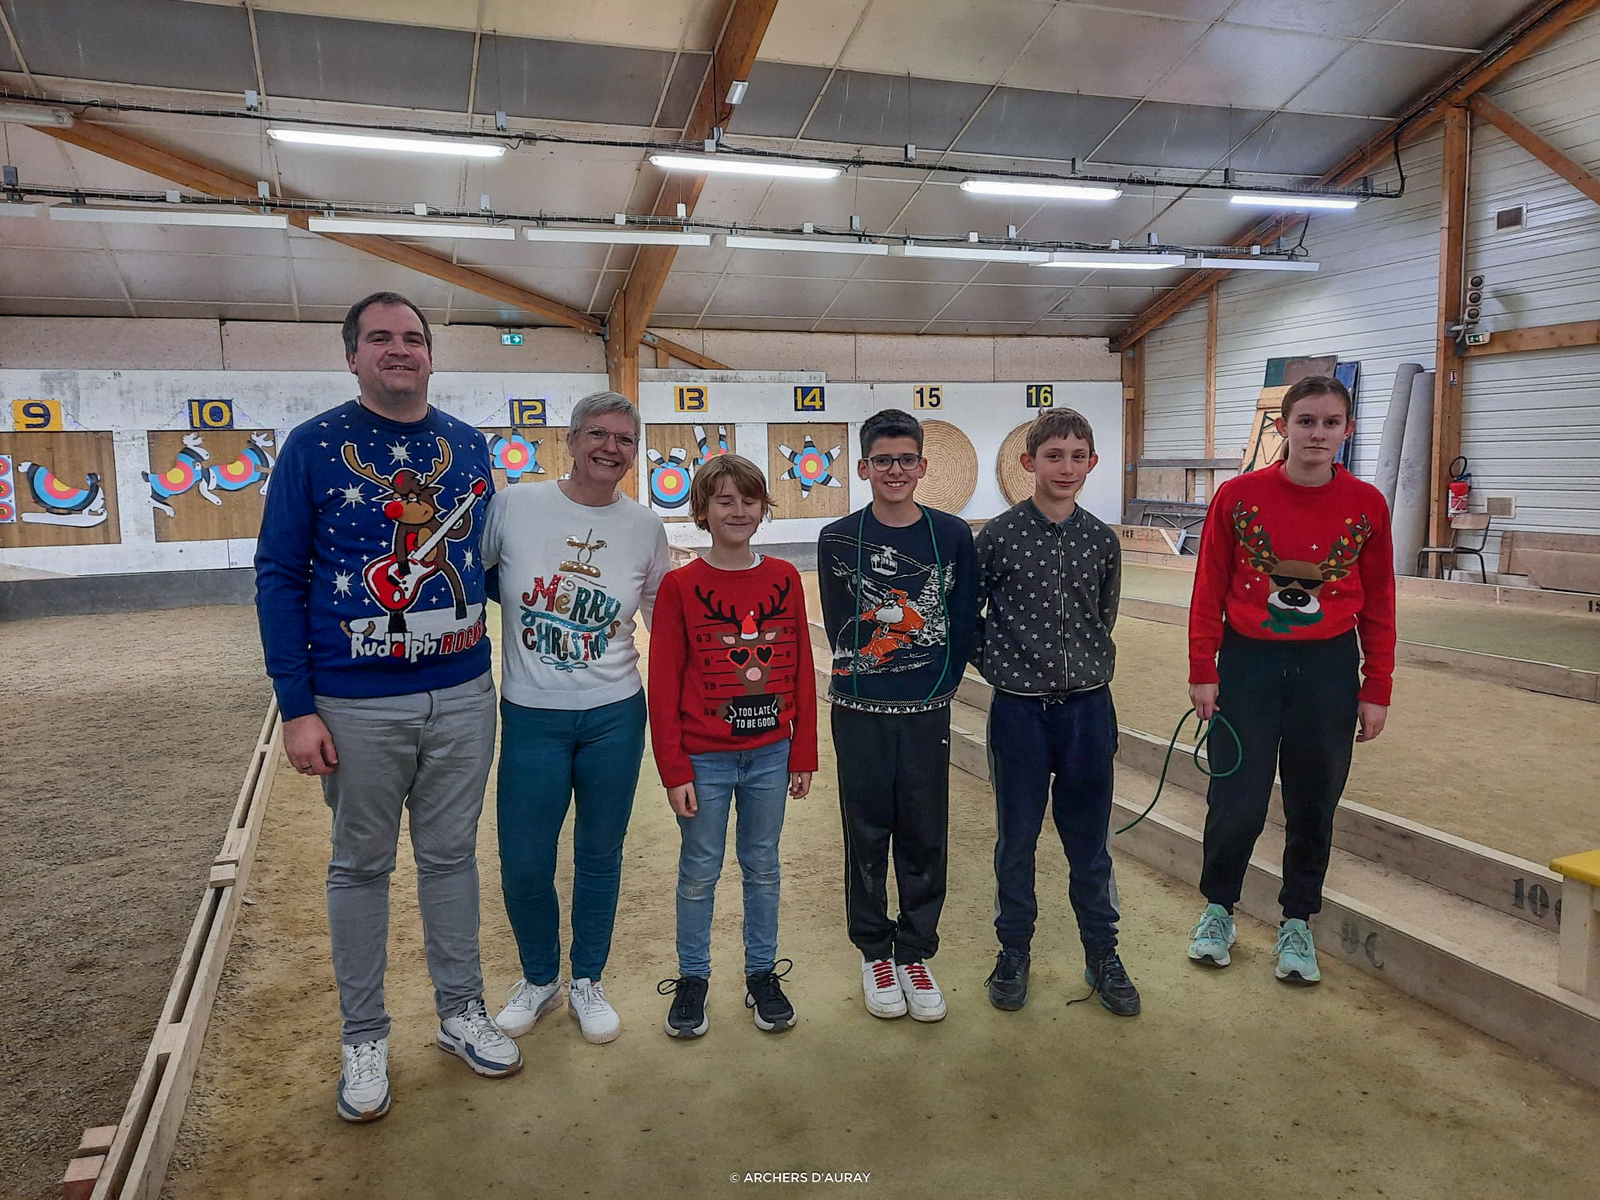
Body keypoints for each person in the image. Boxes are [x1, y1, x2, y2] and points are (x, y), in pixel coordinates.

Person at [255, 291, 520, 1124]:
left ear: (431, 354)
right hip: (355, 703)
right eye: (380, 338)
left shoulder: (467, 445)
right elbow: (278, 576)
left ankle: (460, 1012)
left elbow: (483, 563)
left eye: (412, 337)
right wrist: (296, 706)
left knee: (450, 858)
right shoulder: (313, 445)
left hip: (464, 693)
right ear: (352, 356)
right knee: (361, 868)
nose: (399, 349)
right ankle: (364, 1037)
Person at [1185, 374, 1395, 983]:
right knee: (1237, 800)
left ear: (1346, 430)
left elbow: (1380, 600)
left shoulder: (1367, 506)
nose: (1317, 434)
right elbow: (1209, 587)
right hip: (1247, 665)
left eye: (1330, 423)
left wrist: (1376, 685)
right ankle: (1218, 909)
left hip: (1328, 670)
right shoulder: (1238, 497)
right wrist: (1203, 668)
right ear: (1283, 427)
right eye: (1306, 421)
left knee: (1314, 802)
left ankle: (1298, 919)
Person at [482, 390, 670, 1045]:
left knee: (598, 854)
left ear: (634, 452)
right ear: (570, 439)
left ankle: (587, 978)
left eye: (624, 439)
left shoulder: (644, 526)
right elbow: (467, 582)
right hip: (532, 715)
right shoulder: (514, 506)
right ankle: (540, 979)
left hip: (615, 715)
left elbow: (664, 622)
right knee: (524, 861)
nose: (610, 448)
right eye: (597, 433)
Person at [974, 408, 1140, 1017]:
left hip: (1088, 712)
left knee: (1089, 843)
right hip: (1019, 714)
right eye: (1053, 456)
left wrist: (1081, 669)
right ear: (1029, 462)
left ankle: (1102, 952)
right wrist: (1002, 665)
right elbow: (969, 614)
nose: (1065, 468)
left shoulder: (1101, 539)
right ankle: (1013, 950)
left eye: (1077, 457)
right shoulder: (998, 536)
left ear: (1092, 463)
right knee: (1017, 839)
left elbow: (1104, 612)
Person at [648, 455, 817, 1038]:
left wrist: (802, 752)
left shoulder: (785, 578)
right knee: (699, 870)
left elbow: (801, 669)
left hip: (771, 755)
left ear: (763, 509)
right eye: (724, 501)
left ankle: (761, 973)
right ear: (702, 511)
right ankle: (693, 977)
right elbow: (664, 681)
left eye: (748, 500)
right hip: (704, 759)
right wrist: (674, 768)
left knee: (763, 866)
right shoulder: (679, 586)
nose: (738, 511)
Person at [817, 409, 977, 1022]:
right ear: (863, 467)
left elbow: (962, 618)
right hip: (859, 712)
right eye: (882, 460)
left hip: (926, 712)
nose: (895, 470)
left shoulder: (952, 535)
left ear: (923, 465)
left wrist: (941, 684)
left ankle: (914, 951)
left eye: (906, 459)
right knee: (865, 830)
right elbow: (843, 624)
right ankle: (873, 951)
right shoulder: (837, 537)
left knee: (923, 831)